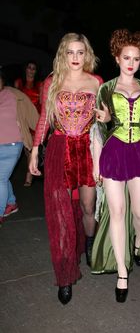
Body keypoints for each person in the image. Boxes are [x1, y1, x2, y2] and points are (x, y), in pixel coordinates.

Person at [29, 33, 104, 305]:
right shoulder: (51, 82)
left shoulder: (97, 82)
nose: (75, 58)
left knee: (86, 206)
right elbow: (44, 119)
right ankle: (64, 274)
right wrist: (36, 149)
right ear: (63, 54)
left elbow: (105, 120)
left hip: (86, 148)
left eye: (80, 52)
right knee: (59, 212)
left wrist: (106, 119)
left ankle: (89, 243)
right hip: (60, 147)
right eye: (70, 52)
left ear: (87, 54)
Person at [91, 29, 140, 303]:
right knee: (117, 211)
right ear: (117, 58)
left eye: (136, 58)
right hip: (113, 151)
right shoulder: (106, 88)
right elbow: (99, 129)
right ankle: (122, 272)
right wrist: (97, 163)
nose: (131, 63)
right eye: (126, 58)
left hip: (139, 151)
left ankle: (137, 242)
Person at [0, 68, 39, 227]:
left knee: (0, 179)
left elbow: (33, 116)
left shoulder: (15, 95)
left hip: (12, 144)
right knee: (2, 178)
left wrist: (42, 133)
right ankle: (11, 203)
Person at [15, 60, 43, 187]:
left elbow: (43, 104)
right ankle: (30, 171)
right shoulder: (19, 83)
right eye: (29, 67)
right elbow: (14, 102)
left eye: (34, 68)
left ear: (36, 71)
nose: (31, 70)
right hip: (22, 120)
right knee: (27, 149)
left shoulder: (40, 85)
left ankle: (29, 175)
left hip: (34, 120)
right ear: (25, 69)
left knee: (30, 149)